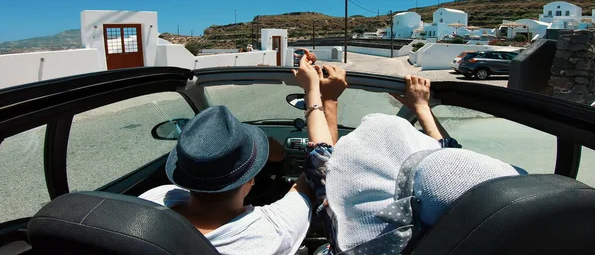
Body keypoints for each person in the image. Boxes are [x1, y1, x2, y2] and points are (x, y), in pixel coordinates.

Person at [292, 57, 519, 254]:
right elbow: (452, 168)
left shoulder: (367, 244)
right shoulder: (484, 234)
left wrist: (323, 95)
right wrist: (421, 108)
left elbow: (324, 160)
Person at [139, 100, 332, 255]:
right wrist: (327, 99)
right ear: (252, 179)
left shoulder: (152, 201)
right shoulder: (271, 232)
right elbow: (322, 168)